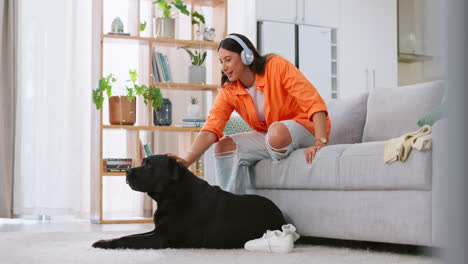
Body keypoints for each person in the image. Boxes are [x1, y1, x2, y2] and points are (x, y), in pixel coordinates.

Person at [167, 33, 331, 194]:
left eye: (228, 60)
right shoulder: (229, 90)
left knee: (276, 133)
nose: (224, 67)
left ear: (246, 56)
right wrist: (186, 160)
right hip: (272, 138)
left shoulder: (276, 65)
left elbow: (313, 101)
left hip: (306, 128)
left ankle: (290, 148)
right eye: (221, 62)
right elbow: (211, 128)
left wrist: (320, 142)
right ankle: (230, 205)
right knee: (223, 146)